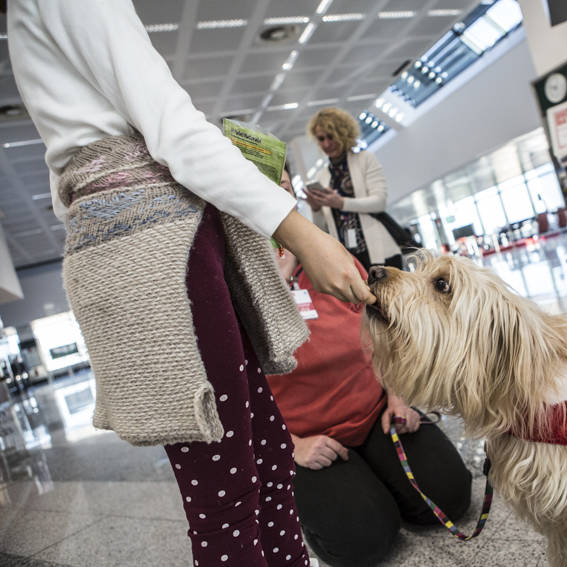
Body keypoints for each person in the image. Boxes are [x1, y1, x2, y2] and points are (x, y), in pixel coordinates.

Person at [6, 2, 373, 566]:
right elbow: (172, 130)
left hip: (152, 246)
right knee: (228, 489)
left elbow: (69, 184)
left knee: (264, 462)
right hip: (162, 256)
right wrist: (300, 232)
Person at [270, 170, 472, 567]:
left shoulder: (330, 260)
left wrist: (397, 397)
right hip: (309, 440)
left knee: (451, 497)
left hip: (376, 414)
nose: (276, 194)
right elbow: (234, 389)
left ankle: (375, 473)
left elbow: (384, 335)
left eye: (283, 184)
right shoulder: (232, 282)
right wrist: (292, 447)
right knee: (361, 544)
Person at [305, 107, 404, 270]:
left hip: (381, 252)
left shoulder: (365, 159)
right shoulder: (322, 177)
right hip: (349, 260)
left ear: (343, 133)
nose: (327, 144)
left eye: (331, 136)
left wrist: (341, 203)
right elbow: (322, 230)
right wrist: (316, 209)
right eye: (321, 139)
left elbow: (379, 202)